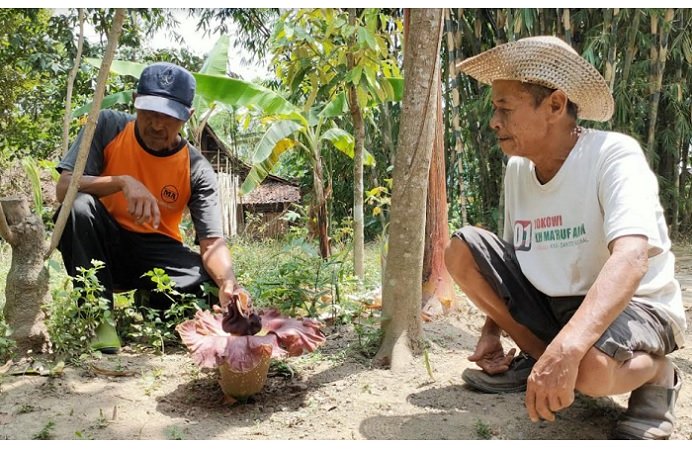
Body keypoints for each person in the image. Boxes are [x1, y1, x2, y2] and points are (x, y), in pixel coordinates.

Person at [444, 36, 686, 440]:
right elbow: (515, 259)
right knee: (462, 249)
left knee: (589, 369)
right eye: (494, 109)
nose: (493, 121)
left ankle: (658, 375)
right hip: (556, 307)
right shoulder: (518, 168)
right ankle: (541, 359)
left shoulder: (614, 155)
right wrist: (491, 333)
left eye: (504, 108)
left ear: (555, 105)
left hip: (635, 307)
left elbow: (631, 258)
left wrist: (570, 346)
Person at [55, 62, 245, 352]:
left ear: (187, 117)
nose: (157, 125)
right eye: (150, 113)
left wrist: (228, 282)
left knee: (207, 284)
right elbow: (63, 187)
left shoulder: (197, 169)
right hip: (103, 243)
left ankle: (150, 301)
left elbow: (211, 242)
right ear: (135, 103)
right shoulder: (107, 125)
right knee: (78, 206)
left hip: (157, 250)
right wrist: (121, 181)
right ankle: (98, 320)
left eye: (169, 117)